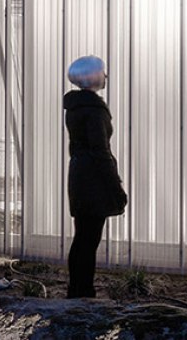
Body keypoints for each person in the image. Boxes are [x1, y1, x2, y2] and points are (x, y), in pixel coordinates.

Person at [63, 55, 126, 298]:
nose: (106, 76)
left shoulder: (75, 107)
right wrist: (116, 186)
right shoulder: (94, 110)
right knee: (89, 238)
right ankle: (84, 291)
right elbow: (101, 151)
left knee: (81, 236)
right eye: (102, 72)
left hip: (79, 175)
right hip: (94, 180)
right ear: (92, 76)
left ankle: (76, 288)